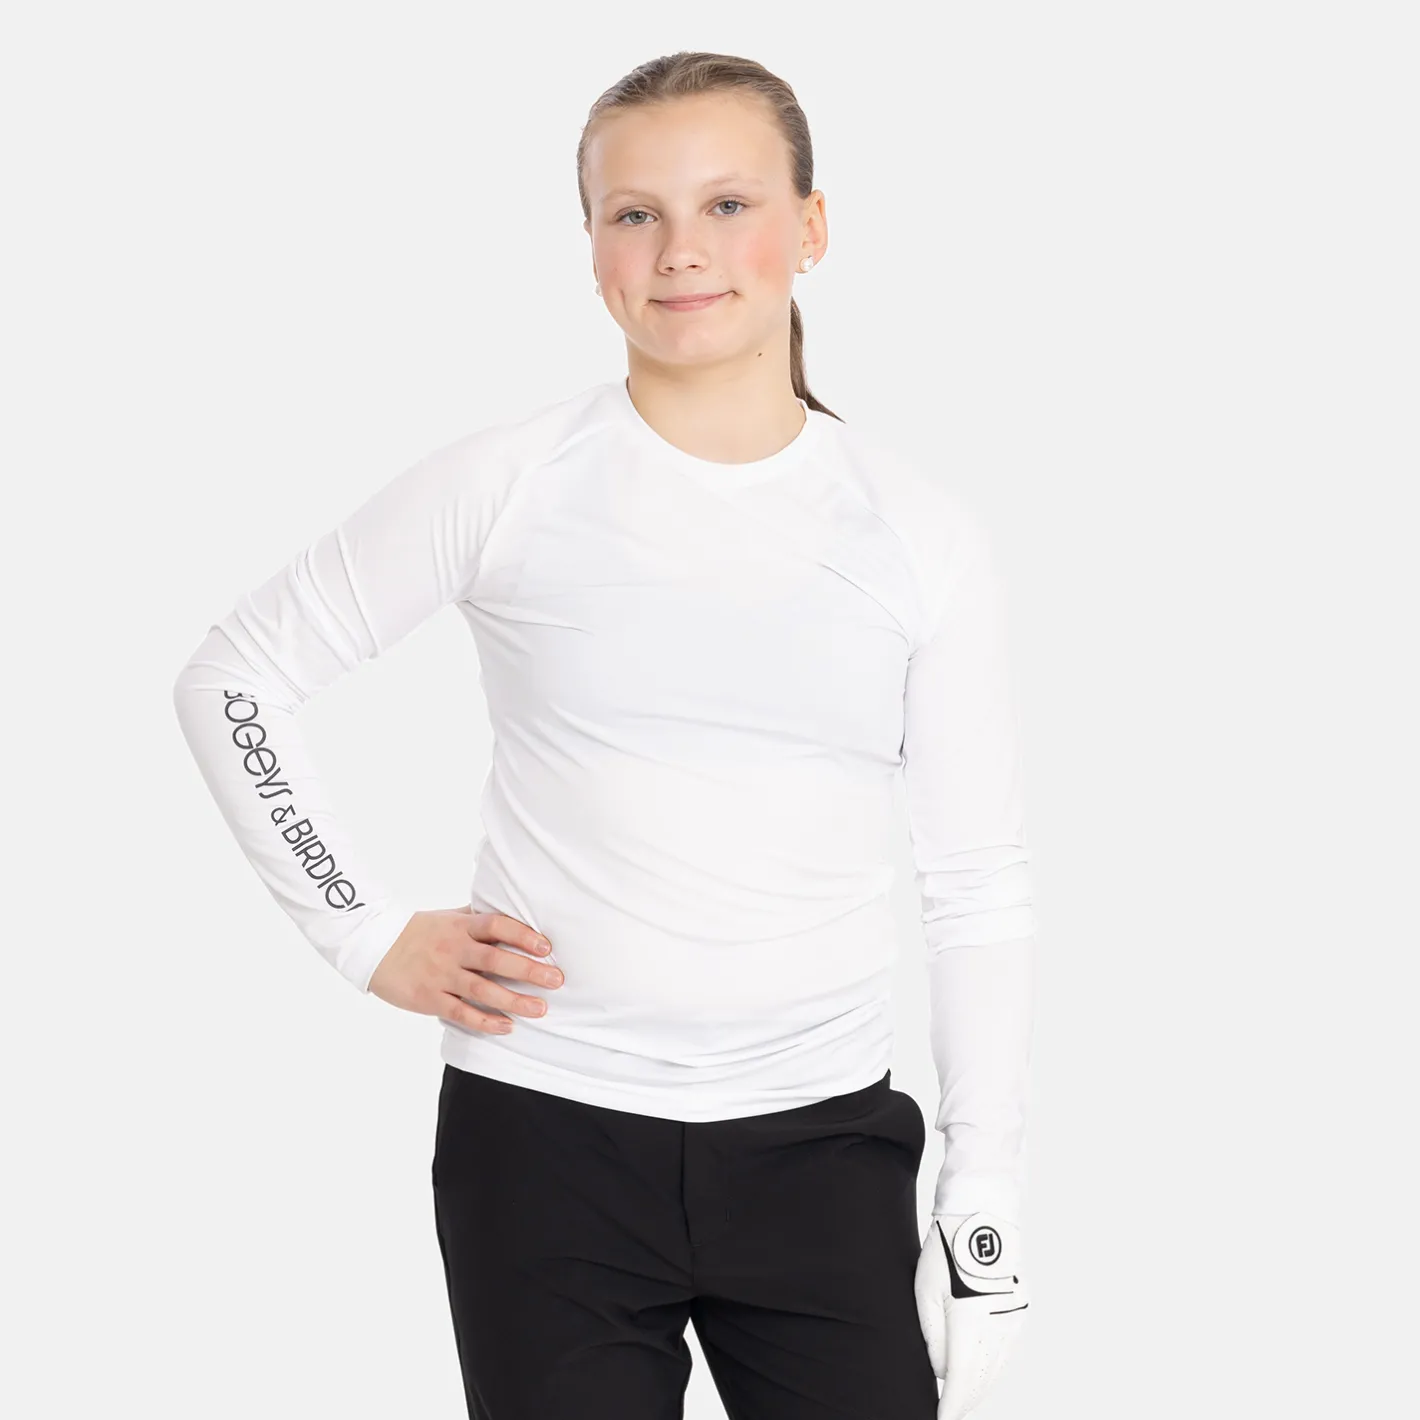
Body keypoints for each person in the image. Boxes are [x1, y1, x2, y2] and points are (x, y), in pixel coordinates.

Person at [172, 49, 1036, 1420]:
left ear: (812, 226)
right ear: (591, 250)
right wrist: (363, 931)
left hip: (821, 1152)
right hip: (544, 1146)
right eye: (637, 213)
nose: (683, 249)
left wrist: (981, 1197)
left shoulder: (918, 534)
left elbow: (975, 883)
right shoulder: (507, 483)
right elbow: (235, 680)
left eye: (729, 204)